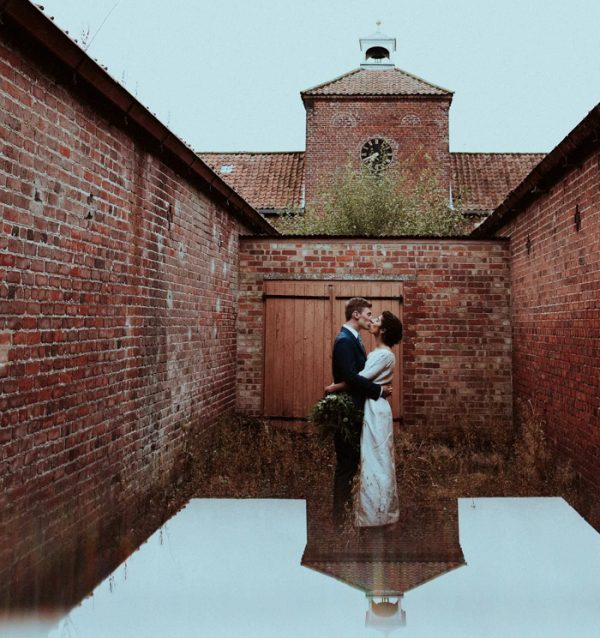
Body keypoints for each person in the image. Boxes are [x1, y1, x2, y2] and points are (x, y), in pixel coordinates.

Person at [326, 310, 403, 527]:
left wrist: (335, 387)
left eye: (377, 320)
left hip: (376, 409)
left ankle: (379, 514)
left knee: (378, 459)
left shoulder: (385, 354)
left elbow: (359, 378)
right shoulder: (378, 352)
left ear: (384, 330)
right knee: (371, 458)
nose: (372, 321)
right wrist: (377, 389)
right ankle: (372, 512)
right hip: (371, 404)